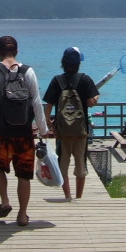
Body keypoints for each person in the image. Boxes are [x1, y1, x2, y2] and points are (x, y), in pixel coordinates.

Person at [0, 35, 49, 227]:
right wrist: (43, 129)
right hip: (24, 131)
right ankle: (22, 215)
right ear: (16, 51)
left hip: (0, 131)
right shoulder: (28, 71)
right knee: (24, 174)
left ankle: (5, 201)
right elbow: (36, 103)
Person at [43, 47, 99, 200]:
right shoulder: (85, 79)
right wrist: (96, 97)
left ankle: (67, 196)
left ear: (63, 62)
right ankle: (78, 197)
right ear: (79, 63)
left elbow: (48, 105)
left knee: (63, 165)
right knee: (81, 165)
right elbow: (91, 103)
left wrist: (49, 125)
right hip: (81, 131)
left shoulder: (57, 80)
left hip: (62, 133)